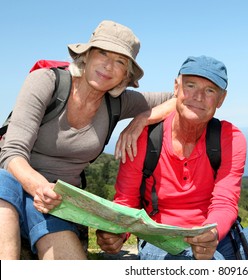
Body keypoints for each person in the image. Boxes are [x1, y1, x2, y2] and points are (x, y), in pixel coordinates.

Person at [96, 55, 248, 260]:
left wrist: (211, 234)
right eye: (191, 86)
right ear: (176, 87)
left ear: (221, 99)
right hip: (162, 241)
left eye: (210, 90)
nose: (198, 97)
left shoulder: (230, 138)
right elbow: (126, 201)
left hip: (217, 237)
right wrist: (117, 233)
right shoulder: (144, 137)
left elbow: (225, 202)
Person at [0, 20, 175, 260]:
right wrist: (40, 188)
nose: (108, 66)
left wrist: (141, 119)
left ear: (126, 75)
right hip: (12, 185)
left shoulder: (118, 102)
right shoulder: (47, 82)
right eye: (102, 53)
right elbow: (12, 151)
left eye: (120, 61)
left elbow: (182, 97)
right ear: (87, 56)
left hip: (58, 200)